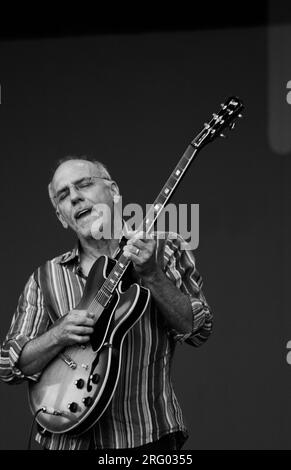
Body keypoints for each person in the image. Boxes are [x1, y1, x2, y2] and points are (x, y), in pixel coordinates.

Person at [0, 156, 213, 450]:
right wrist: (57, 334)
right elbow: (8, 366)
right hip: (66, 442)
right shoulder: (46, 277)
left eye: (84, 184)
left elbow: (198, 330)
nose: (74, 197)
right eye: (63, 196)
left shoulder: (166, 248)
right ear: (62, 216)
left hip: (148, 437)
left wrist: (152, 274)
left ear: (113, 191)